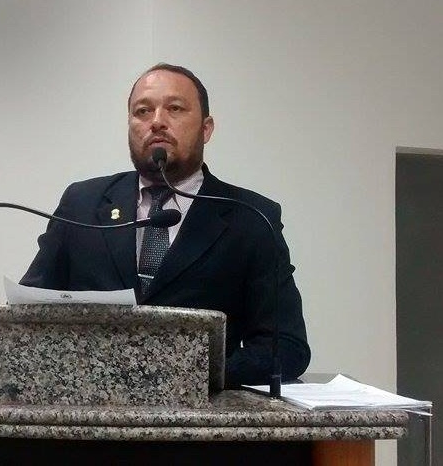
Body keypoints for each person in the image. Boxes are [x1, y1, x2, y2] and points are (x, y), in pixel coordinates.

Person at [21, 63, 310, 387]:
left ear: (206, 129)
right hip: (88, 404)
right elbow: (26, 313)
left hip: (199, 411)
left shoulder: (251, 218)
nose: (157, 121)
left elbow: (286, 347)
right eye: (142, 111)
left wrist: (190, 373)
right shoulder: (82, 203)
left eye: (175, 108)